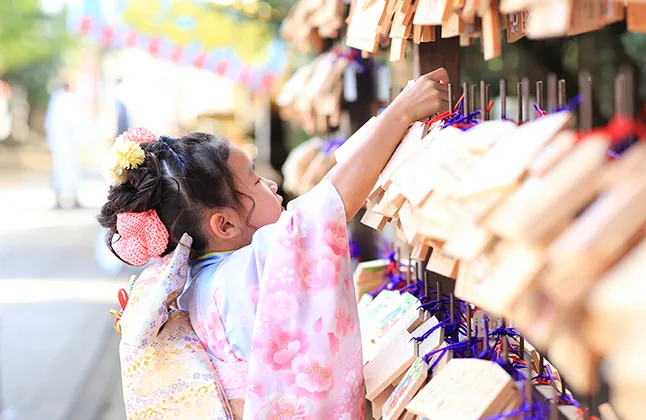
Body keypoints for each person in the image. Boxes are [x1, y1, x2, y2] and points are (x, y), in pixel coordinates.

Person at [97, 68, 449, 418]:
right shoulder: (238, 275)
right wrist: (401, 112)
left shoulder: (196, 280)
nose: (272, 183)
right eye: (255, 180)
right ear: (224, 224)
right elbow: (323, 210)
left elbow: (316, 210)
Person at [44, 81, 82, 209]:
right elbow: (75, 122)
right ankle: (71, 197)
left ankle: (60, 197)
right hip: (68, 143)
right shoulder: (70, 99)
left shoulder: (56, 100)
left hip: (60, 142)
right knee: (69, 170)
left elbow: (49, 122)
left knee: (60, 170)